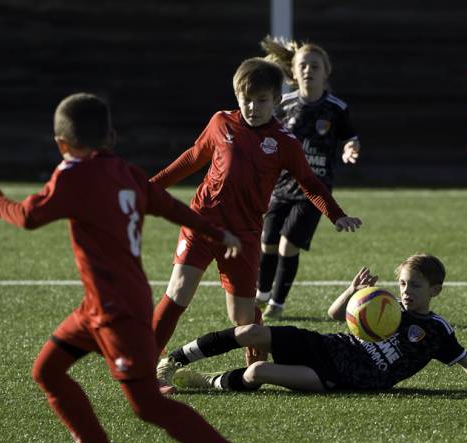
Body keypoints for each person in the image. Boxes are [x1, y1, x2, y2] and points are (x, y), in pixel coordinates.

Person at [0, 93, 259, 443]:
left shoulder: (73, 175)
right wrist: (215, 232)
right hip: (97, 306)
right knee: (47, 370)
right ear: (111, 135)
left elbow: (28, 216)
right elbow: (166, 205)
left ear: (60, 143)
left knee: (148, 406)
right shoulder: (125, 172)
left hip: (118, 314)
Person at [151, 57, 362, 391]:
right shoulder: (221, 123)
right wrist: (150, 187)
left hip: (244, 236)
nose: (253, 106)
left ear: (276, 100)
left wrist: (336, 214)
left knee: (243, 318)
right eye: (246, 98)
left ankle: (256, 368)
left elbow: (309, 182)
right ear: (237, 96)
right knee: (178, 291)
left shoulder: (284, 142)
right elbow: (192, 158)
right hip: (202, 222)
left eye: (262, 100)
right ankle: (147, 368)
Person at [160, 254, 467, 394]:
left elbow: (466, 361)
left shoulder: (436, 331)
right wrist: (352, 292)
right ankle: (174, 360)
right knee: (250, 332)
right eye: (403, 284)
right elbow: (335, 315)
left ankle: (211, 382)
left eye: (414, 286)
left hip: (342, 378)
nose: (406, 292)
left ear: (435, 290)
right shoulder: (385, 305)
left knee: (256, 374)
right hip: (328, 345)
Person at [253, 36, 361, 321]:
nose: (308, 71)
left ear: (326, 71)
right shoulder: (284, 104)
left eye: (315, 66)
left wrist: (351, 147)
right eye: (303, 65)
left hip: (315, 188)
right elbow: (266, 134)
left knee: (289, 244)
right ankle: (261, 292)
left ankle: (276, 302)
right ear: (294, 70)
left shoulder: (336, 108)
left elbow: (350, 135)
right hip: (281, 185)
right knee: (267, 242)